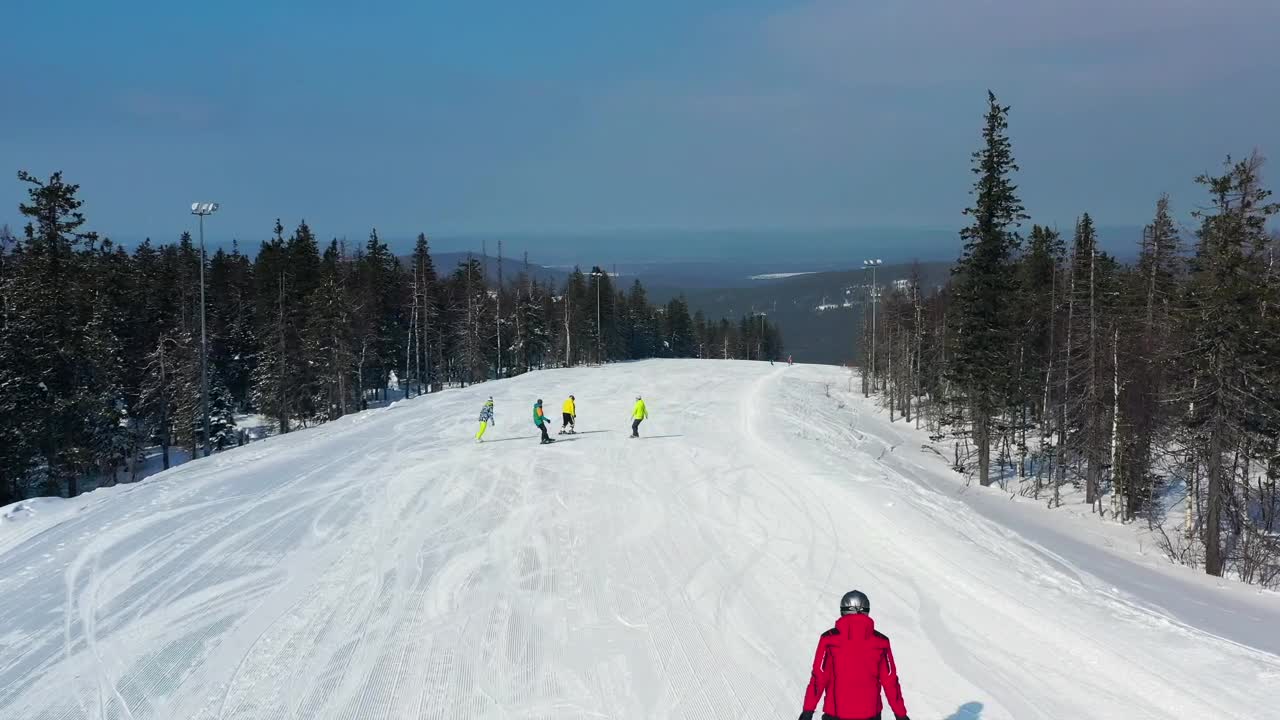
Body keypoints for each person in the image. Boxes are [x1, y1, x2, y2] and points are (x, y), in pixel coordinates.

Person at [798, 590, 910, 720]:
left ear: (843, 610)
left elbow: (819, 678)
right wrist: (900, 714)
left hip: (836, 715)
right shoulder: (881, 641)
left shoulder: (829, 639)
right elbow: (890, 681)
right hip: (871, 716)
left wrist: (807, 711)